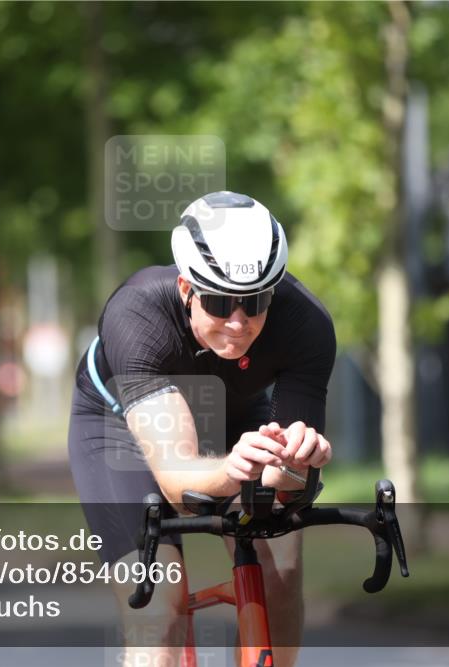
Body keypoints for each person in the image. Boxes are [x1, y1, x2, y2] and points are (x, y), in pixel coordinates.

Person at [68, 191, 337, 666]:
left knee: (281, 572)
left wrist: (295, 466)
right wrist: (235, 470)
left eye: (255, 302)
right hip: (119, 431)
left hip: (237, 417)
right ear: (187, 287)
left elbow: (290, 490)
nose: (237, 323)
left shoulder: (306, 324)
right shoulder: (137, 314)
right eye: (218, 302)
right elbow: (179, 486)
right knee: (159, 611)